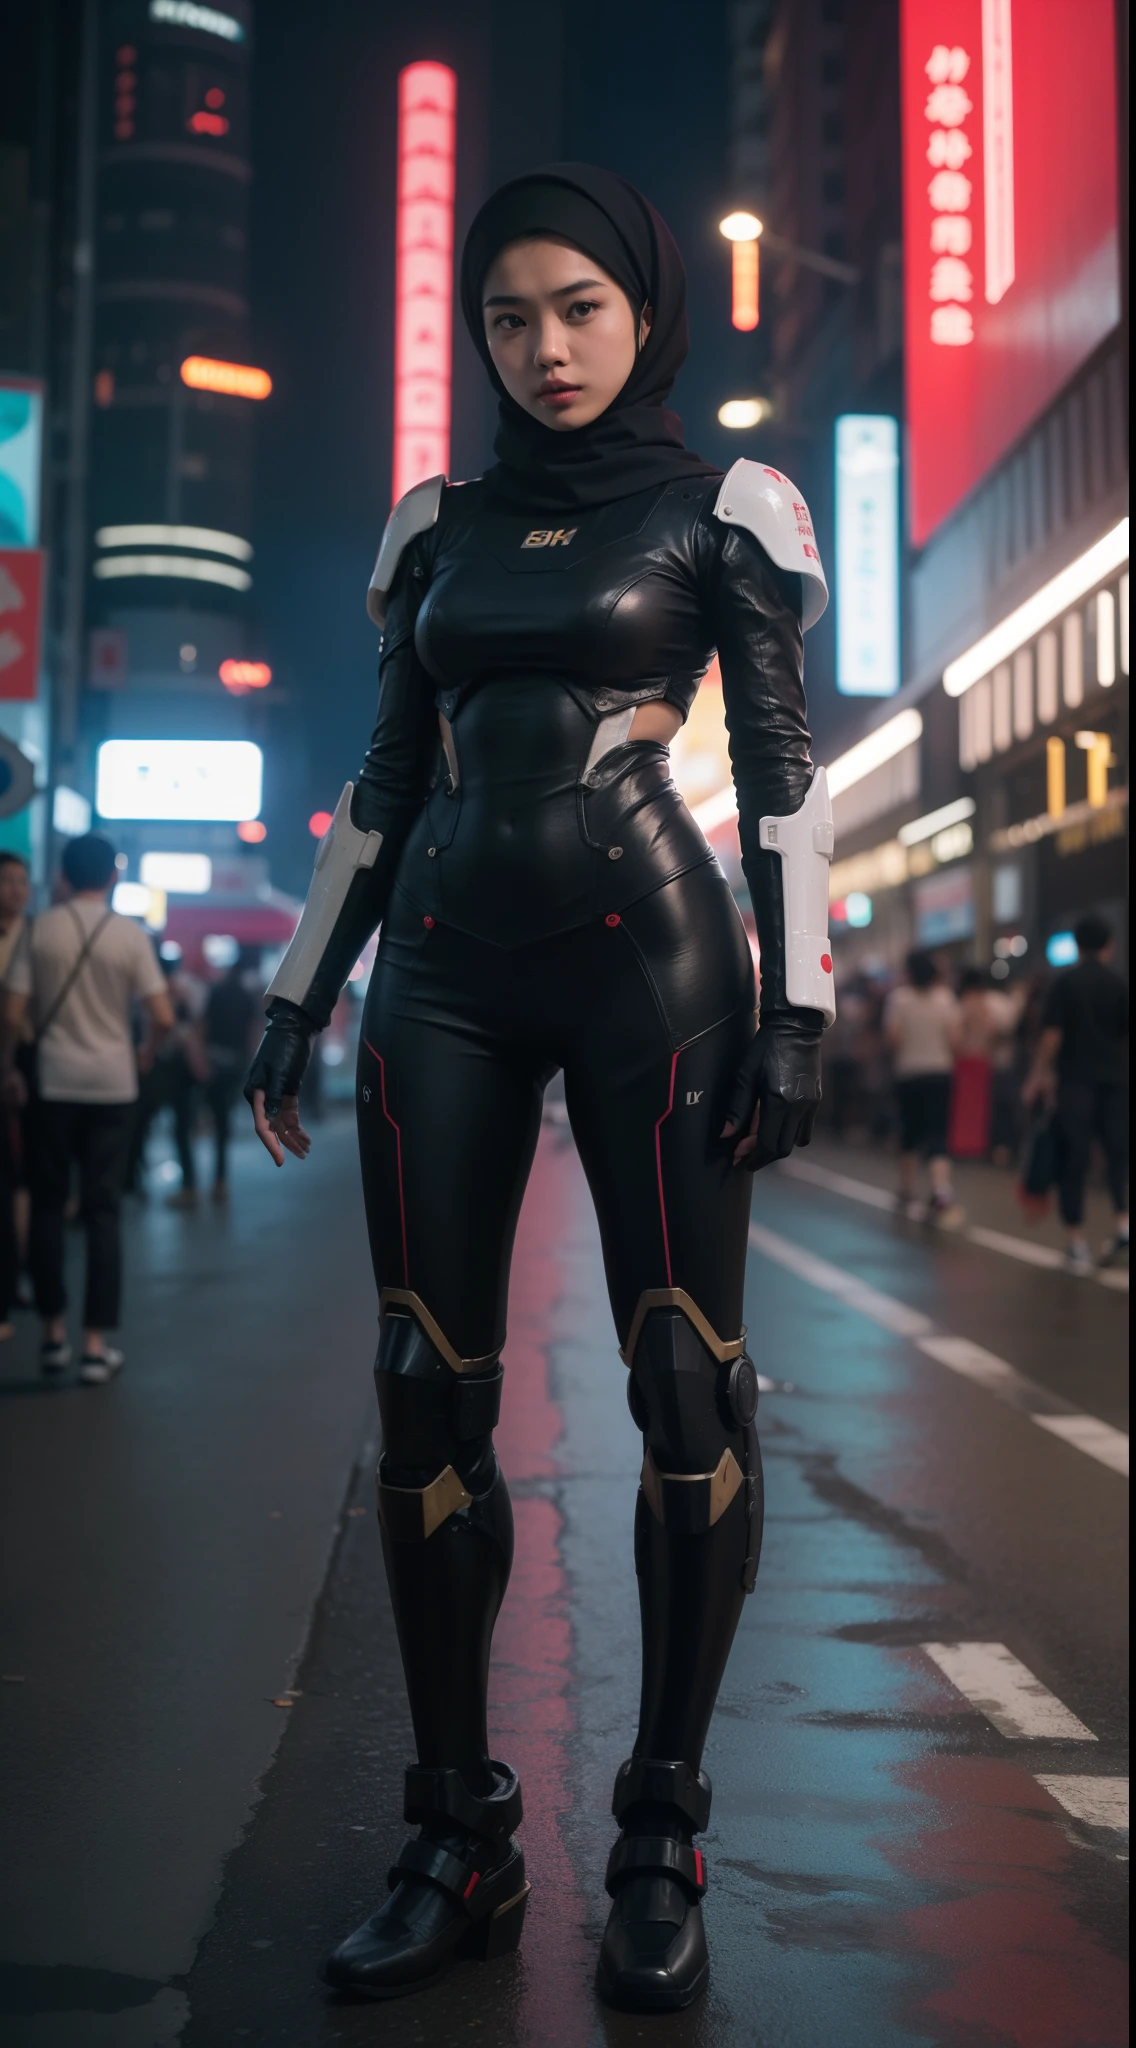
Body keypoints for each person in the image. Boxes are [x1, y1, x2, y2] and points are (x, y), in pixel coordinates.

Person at [245, 163, 834, 2013]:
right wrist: (295, 982)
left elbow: (785, 776)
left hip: (649, 958)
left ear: (643, 310)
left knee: (683, 1373)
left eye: (579, 307)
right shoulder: (436, 522)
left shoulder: (723, 501)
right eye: (510, 316)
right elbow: (381, 771)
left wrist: (797, 1005)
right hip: (435, 970)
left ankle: (659, 1827)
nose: (546, 344)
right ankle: (457, 1832)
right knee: (424, 1385)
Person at [0, 834, 173, 1382]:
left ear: (64, 876)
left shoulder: (39, 929)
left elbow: (11, 1013)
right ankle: (95, 1347)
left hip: (51, 1083)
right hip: (112, 1086)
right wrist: (143, 1053)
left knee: (49, 1204)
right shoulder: (130, 935)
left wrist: (8, 1068)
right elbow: (163, 1016)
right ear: (113, 877)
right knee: (102, 1211)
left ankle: (52, 1335)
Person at [1023, 912, 1128, 1271]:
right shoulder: (1120, 983)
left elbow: (1052, 1036)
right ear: (1109, 946)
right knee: (1119, 1153)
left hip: (1075, 1082)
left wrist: (1037, 1076)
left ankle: (1076, 1242)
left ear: (1078, 945)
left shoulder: (1064, 983)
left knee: (1074, 1158)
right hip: (1116, 1080)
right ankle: (1123, 1226)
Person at [884, 948, 964, 1225]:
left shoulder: (899, 999)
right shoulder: (946, 999)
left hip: (909, 1073)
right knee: (938, 1131)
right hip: (940, 1073)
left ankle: (907, 1191)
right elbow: (955, 1041)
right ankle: (941, 1190)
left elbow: (893, 1039)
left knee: (909, 1132)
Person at [0, 850, 32, 1336]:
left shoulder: (38, 937)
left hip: (26, 1066)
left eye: (22, 881)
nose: (17, 889)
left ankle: (14, 1278)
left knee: (19, 1177)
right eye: (7, 880)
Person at [202, 951, 260, 1199]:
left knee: (219, 1118)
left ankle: (218, 1179)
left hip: (215, 1060)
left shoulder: (215, 992)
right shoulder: (246, 996)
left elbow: (203, 1026)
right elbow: (253, 1030)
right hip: (237, 1061)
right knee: (225, 1117)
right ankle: (220, 1180)